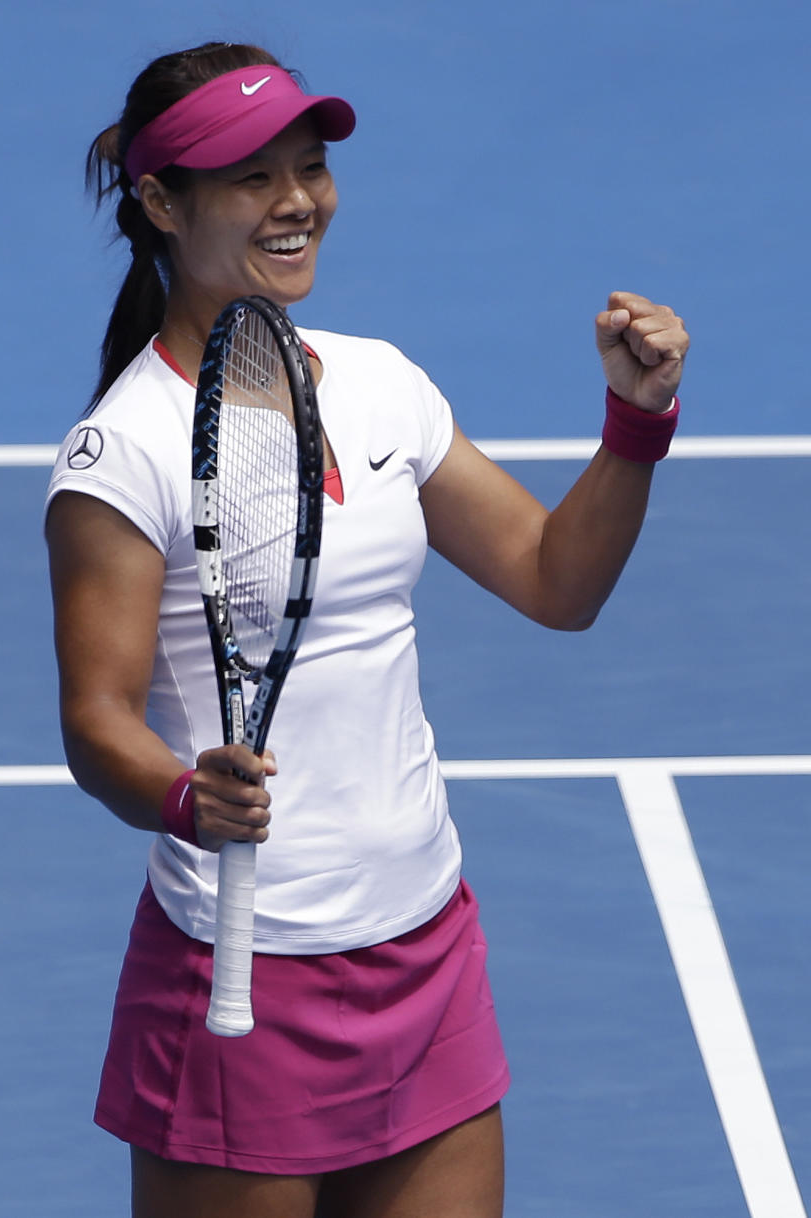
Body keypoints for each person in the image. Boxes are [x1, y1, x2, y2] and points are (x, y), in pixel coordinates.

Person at [45, 40, 689, 1218]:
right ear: (159, 202)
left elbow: (558, 582)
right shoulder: (122, 454)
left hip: (426, 946)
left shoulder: (382, 383)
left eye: (309, 169)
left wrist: (634, 425)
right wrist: (188, 795)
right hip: (240, 975)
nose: (297, 203)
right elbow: (95, 719)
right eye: (252, 178)